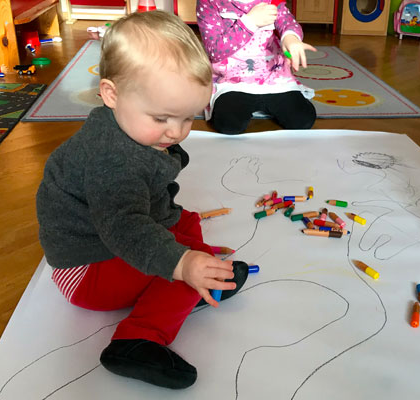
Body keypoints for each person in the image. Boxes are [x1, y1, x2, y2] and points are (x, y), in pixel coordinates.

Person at [36, 10, 248, 390]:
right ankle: (138, 340)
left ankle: (199, 274)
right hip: (87, 268)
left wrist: (181, 249)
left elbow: (148, 196)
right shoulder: (112, 160)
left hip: (106, 237)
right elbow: (125, 227)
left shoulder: (126, 128)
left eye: (188, 118)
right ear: (111, 94)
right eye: (163, 118)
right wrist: (181, 263)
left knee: (186, 222)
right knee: (178, 270)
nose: (177, 132)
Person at [197, 0, 317, 134]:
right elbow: (215, 51)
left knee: (303, 119)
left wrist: (291, 38)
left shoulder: (272, 1)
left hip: (274, 77)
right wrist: (250, 22)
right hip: (233, 80)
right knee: (229, 124)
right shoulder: (209, 3)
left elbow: (287, 21)